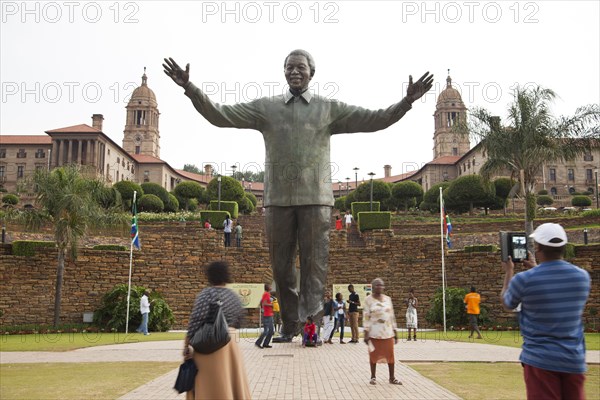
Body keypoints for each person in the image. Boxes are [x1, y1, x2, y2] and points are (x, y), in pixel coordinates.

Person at [163, 51, 433, 341]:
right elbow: (220, 114)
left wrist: (406, 103)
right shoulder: (266, 108)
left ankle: (311, 326)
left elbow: (374, 119)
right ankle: (290, 324)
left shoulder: (328, 108)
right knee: (281, 268)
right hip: (277, 199)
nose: (294, 72)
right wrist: (189, 89)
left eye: (300, 68)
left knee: (315, 267)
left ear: (311, 73)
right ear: (283, 72)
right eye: (289, 67)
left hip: (316, 198)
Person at [501, 223, 590, 400]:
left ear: (538, 247)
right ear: (564, 247)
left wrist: (509, 272)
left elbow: (507, 302)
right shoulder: (582, 277)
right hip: (573, 359)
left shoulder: (524, 279)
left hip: (540, 360)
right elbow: (554, 291)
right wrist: (536, 268)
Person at [183, 261, 251, 399]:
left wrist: (186, 345)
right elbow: (240, 320)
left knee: (210, 385)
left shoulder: (206, 294)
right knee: (230, 381)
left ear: (210, 276)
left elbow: (195, 321)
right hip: (230, 343)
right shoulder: (234, 296)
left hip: (208, 342)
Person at [363, 278, 401, 385]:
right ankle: (373, 377)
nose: (379, 287)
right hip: (374, 333)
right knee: (373, 355)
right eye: (377, 285)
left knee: (390, 355)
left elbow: (392, 316)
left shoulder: (388, 299)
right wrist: (366, 333)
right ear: (373, 287)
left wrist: (395, 331)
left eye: (381, 285)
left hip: (388, 332)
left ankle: (392, 378)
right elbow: (366, 317)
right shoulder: (368, 300)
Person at [255, 284, 274, 349]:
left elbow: (261, 302)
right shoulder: (266, 294)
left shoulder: (267, 294)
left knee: (271, 331)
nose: (271, 287)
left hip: (270, 314)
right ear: (267, 287)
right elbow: (264, 303)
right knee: (266, 331)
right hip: (267, 315)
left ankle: (266, 344)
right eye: (270, 286)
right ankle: (258, 343)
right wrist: (271, 305)